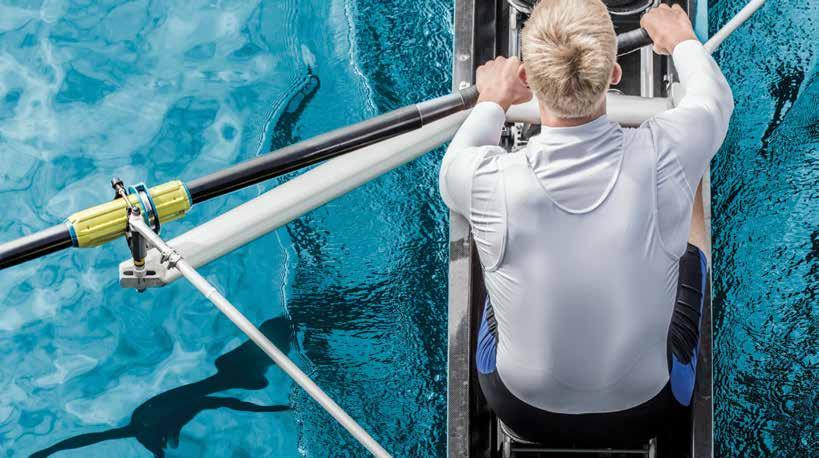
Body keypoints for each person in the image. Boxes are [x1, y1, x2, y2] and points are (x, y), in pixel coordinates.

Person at [439, 0, 733, 443]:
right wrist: (681, 40)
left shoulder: (483, 178)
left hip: (518, 407)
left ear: (528, 79)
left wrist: (493, 100)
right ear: (614, 74)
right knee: (689, 177)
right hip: (649, 409)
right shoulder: (667, 153)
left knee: (493, 240)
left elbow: (452, 169)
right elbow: (713, 100)